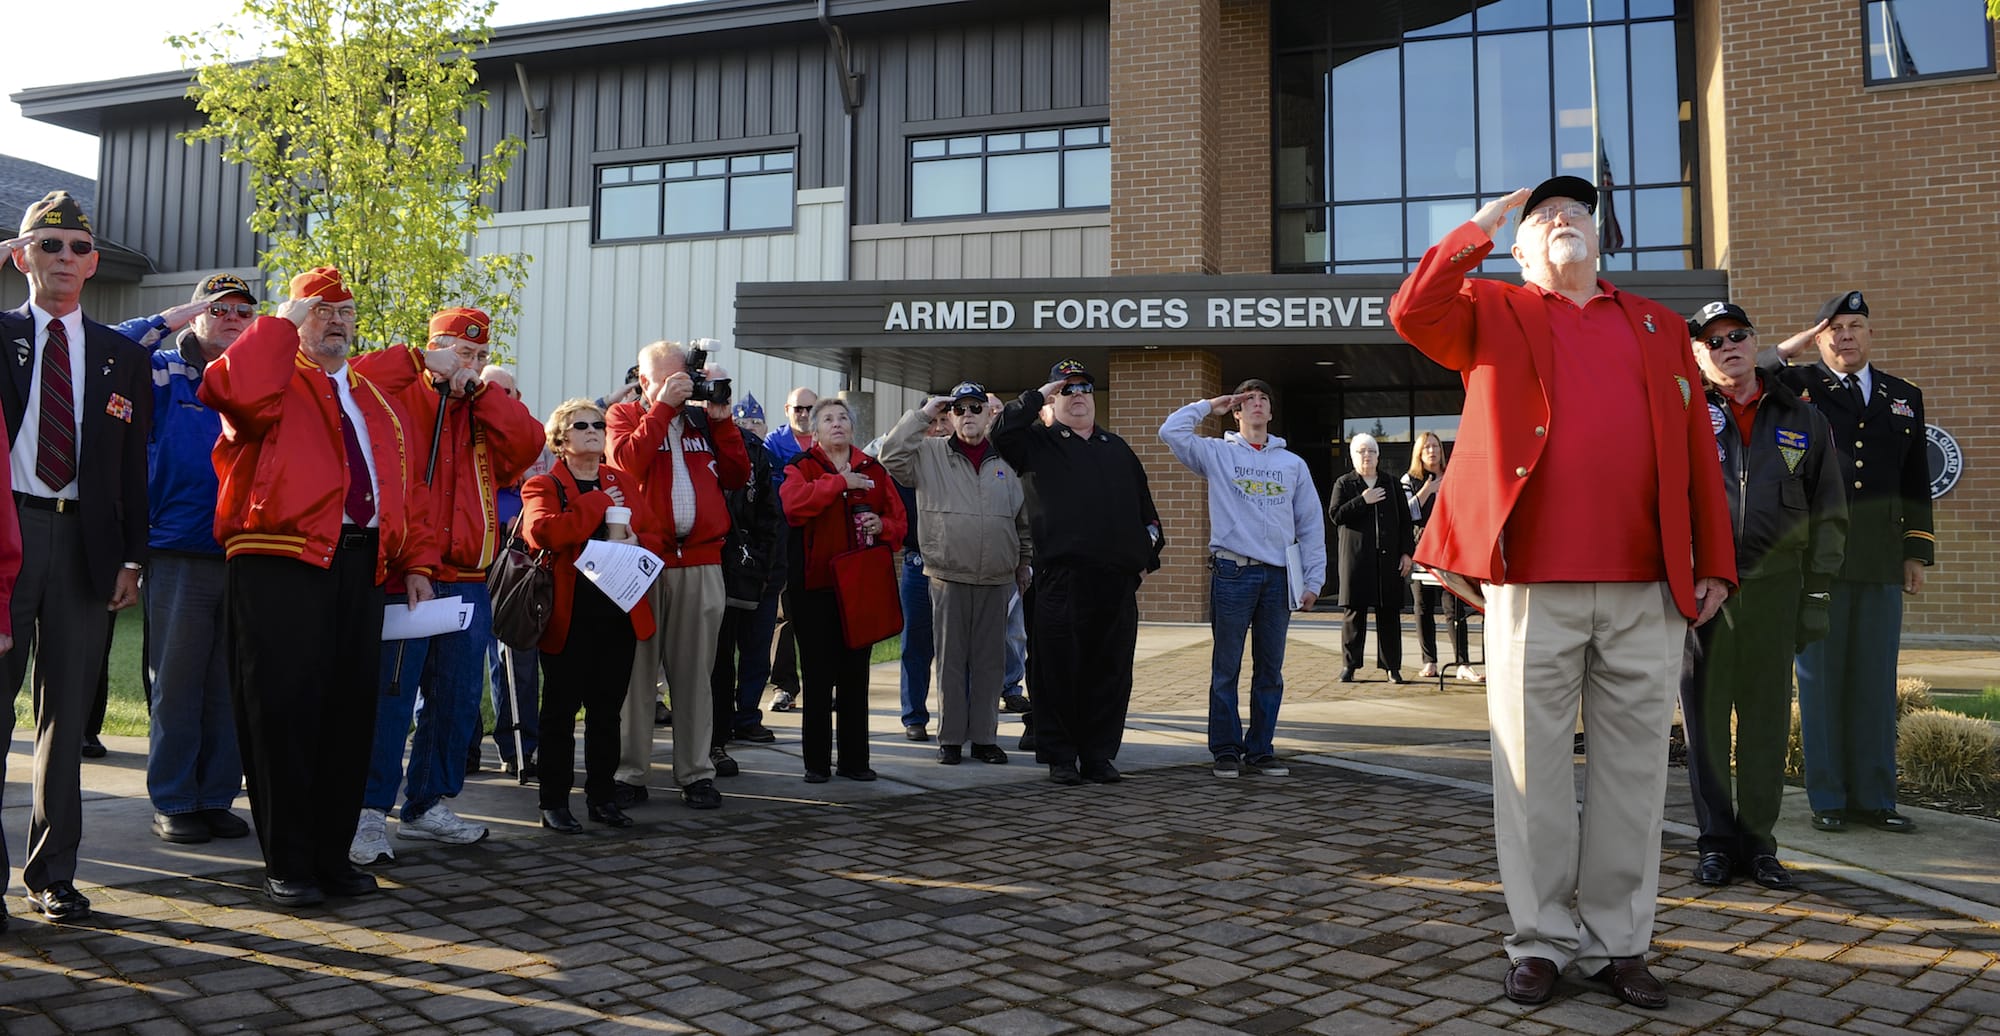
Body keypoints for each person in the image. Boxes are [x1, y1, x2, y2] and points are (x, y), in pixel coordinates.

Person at [1389, 176, 1735, 1009]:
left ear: (1600, 234)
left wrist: (1715, 560)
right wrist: (1476, 224)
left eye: (1575, 212)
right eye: (1544, 216)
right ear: (1518, 248)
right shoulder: (1490, 309)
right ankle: (1540, 938)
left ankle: (1622, 941)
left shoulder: (1657, 324)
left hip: (1645, 584)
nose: (1561, 220)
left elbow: (1695, 451)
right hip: (1529, 583)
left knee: (1633, 772)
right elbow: (1411, 311)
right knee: (1530, 771)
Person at [202, 265, 440, 907]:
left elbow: (403, 484)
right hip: (279, 559)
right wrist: (280, 320)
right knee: (282, 713)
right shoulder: (272, 372)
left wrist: (416, 560)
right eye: (318, 310)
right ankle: (289, 860)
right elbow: (236, 393)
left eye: (344, 311)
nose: (333, 320)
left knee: (347, 714)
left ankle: (332, 857)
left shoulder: (372, 397)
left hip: (360, 564)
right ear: (293, 320)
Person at [347, 308, 544, 865]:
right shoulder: (403, 392)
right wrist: (425, 368)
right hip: (407, 575)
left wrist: (480, 390)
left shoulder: (481, 406)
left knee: (457, 701)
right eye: (463, 352)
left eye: (481, 355)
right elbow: (354, 378)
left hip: (470, 579)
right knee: (391, 699)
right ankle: (366, 812)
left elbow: (527, 443)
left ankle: (427, 803)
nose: (473, 364)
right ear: (435, 348)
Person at [0, 192, 141, 924]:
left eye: (79, 248)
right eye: (47, 244)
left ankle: (54, 872)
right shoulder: (2, 334)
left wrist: (132, 557)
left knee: (64, 718)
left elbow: (131, 472)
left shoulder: (121, 354)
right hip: (9, 539)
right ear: (20, 255)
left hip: (87, 542)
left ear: (93, 263)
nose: (64, 258)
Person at [1681, 301, 1846, 890]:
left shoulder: (1802, 416)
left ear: (1755, 343)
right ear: (1699, 353)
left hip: (1777, 593)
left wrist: (1818, 592)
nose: (1729, 346)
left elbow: (1829, 511)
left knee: (1766, 723)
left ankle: (1759, 844)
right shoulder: (1684, 413)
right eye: (1714, 340)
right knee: (1705, 722)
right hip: (1705, 597)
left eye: (1738, 335)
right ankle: (1715, 843)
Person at [1760, 290, 1934, 834]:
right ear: (1819, 338)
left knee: (1875, 684)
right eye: (1833, 328)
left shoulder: (1903, 396)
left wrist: (1916, 552)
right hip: (1818, 563)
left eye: (1855, 325)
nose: (1845, 335)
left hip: (1881, 560)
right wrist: (1792, 346)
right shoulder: (1798, 389)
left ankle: (1877, 798)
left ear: (1870, 334)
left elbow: (1914, 483)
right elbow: (1754, 369)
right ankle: (1829, 798)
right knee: (1821, 682)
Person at [131, 274, 260, 844]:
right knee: (177, 681)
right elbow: (111, 348)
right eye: (219, 307)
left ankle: (214, 796)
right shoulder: (160, 368)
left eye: (242, 310)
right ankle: (176, 797)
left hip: (244, 552)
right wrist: (170, 317)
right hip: (178, 548)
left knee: (229, 681)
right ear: (197, 314)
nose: (232, 317)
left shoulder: (259, 377)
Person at [994, 359, 1162, 787]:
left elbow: (1147, 513)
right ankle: (1062, 756)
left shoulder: (1116, 447)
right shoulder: (1036, 443)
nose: (1078, 395)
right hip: (1062, 578)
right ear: (1054, 398)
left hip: (1115, 581)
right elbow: (1001, 432)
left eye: (1084, 387)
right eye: (1067, 389)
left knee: (1109, 670)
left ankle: (1099, 755)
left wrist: (1144, 556)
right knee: (1059, 670)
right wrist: (1038, 396)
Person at [605, 340, 750, 810]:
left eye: (684, 379)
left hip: (701, 561)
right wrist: (663, 410)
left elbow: (735, 474)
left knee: (695, 676)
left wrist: (723, 417)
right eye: (670, 381)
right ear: (645, 381)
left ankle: (696, 772)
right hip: (643, 563)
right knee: (636, 674)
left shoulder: (701, 420)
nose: (682, 388)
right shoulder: (625, 416)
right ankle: (630, 771)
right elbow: (625, 464)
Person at [1159, 379, 1326, 778]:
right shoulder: (1218, 454)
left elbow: (1311, 524)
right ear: (1236, 411)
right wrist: (1207, 406)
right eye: (1248, 400)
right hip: (1232, 573)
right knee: (1227, 668)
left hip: (1279, 577)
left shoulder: (1293, 465)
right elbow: (1170, 431)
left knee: (1270, 670)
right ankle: (1226, 749)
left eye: (1263, 399)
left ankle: (1261, 749)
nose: (1256, 405)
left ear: (1270, 412)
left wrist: (1313, 580)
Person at [523, 399, 659, 831]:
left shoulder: (622, 479)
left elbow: (655, 532)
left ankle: (602, 798)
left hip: (617, 611)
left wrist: (638, 540)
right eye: (581, 425)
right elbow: (544, 532)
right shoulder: (544, 484)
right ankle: (554, 803)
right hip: (569, 615)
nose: (593, 431)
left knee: (607, 713)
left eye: (598, 425)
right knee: (560, 713)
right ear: (561, 441)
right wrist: (599, 502)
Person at [881, 381, 1031, 767]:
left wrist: (1023, 563)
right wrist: (924, 413)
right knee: (950, 662)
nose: (968, 416)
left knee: (990, 664)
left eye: (975, 408)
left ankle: (984, 739)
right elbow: (890, 456)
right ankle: (950, 739)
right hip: (948, 575)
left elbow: (1022, 522)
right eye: (960, 409)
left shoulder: (1007, 458)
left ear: (987, 414)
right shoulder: (929, 453)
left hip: (997, 577)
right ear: (949, 416)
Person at [778, 397, 906, 782]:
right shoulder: (801, 467)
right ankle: (816, 764)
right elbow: (793, 506)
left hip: (860, 588)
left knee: (855, 676)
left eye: (843, 418)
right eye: (828, 419)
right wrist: (839, 483)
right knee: (817, 677)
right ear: (814, 431)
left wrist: (879, 525)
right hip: (813, 589)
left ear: (853, 428)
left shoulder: (874, 470)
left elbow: (899, 523)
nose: (837, 424)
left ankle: (855, 761)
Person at [477, 364, 552, 782]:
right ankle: (466, 749)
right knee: (468, 659)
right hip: (469, 559)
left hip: (517, 562)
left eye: (508, 392)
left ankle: (521, 747)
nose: (501, 399)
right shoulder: (463, 432)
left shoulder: (531, 437)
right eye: (492, 391)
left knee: (516, 657)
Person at [708, 393, 784, 776]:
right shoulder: (690, 440)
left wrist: (762, 564)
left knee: (749, 652)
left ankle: (736, 724)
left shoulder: (754, 450)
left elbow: (769, 514)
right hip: (702, 567)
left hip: (746, 570)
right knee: (712, 661)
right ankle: (707, 736)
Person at [882, 403, 952, 743]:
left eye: (944, 420)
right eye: (932, 421)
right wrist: (920, 417)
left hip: (957, 569)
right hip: (917, 565)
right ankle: (914, 716)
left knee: (957, 650)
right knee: (916, 647)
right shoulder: (911, 462)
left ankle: (957, 718)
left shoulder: (962, 463)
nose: (938, 428)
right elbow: (890, 454)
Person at [1328, 434, 1414, 684]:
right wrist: (1362, 501)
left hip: (1388, 560)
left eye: (1371, 451)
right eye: (1361, 452)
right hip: (1356, 559)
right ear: (1353, 456)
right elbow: (1336, 515)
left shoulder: (1392, 484)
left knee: (1389, 614)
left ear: (1378, 456)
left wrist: (1407, 552)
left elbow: (1406, 522)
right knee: (1354, 614)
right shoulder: (1345, 484)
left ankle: (1392, 667)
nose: (1367, 456)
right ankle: (1350, 665)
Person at [1402, 431, 1479, 682]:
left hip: (1450, 552)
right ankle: (1429, 661)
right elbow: (1406, 513)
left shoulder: (1453, 475)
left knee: (1453, 606)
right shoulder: (1409, 479)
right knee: (1422, 607)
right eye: (1427, 448)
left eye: (1435, 447)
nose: (1432, 452)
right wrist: (1427, 489)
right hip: (1422, 551)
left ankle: (1462, 663)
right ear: (1419, 454)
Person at [762, 385, 816, 714]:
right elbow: (775, 492)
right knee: (784, 617)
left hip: (819, 538)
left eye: (810, 408)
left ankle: (825, 682)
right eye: (799, 408)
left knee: (820, 615)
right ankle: (784, 686)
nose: (805, 415)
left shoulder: (827, 440)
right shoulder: (773, 444)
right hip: (784, 538)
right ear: (787, 409)